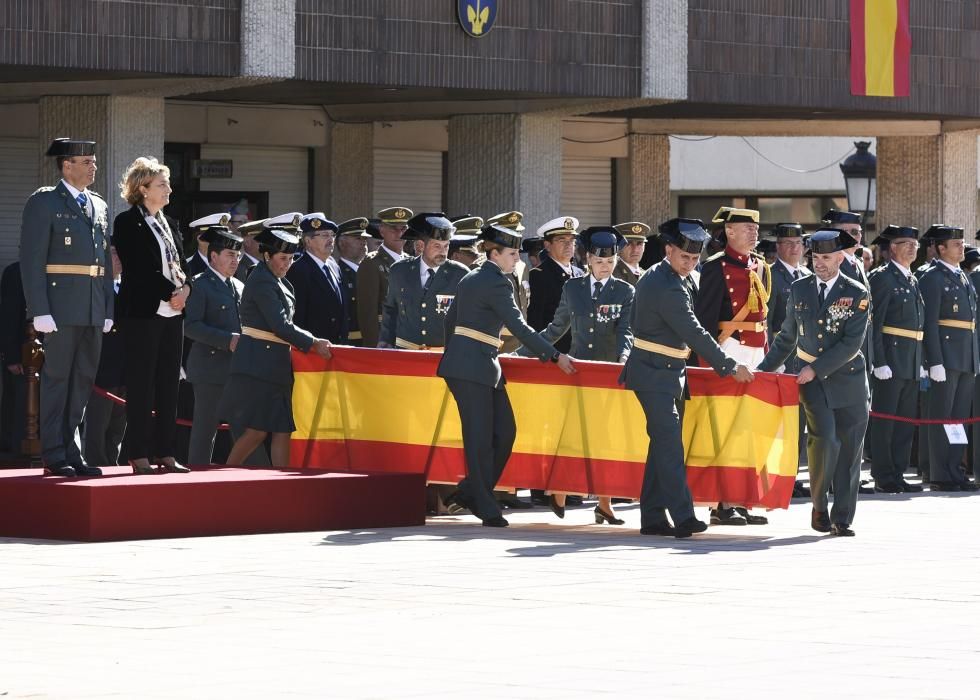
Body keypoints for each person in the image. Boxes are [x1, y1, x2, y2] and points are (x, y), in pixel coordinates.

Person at [621, 218, 753, 538]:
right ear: (668, 250)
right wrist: (728, 365)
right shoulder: (664, 285)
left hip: (668, 373)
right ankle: (683, 516)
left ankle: (652, 517)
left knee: (661, 447)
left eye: (695, 259)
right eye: (685, 257)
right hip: (653, 373)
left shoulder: (674, 276)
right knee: (670, 447)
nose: (690, 263)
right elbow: (693, 330)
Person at [439, 223, 576, 527]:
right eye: (512, 253)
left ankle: (470, 490)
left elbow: (450, 322)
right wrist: (554, 355)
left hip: (480, 365)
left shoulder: (471, 277)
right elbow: (519, 327)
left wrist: (453, 357)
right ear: (494, 253)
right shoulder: (497, 282)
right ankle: (486, 506)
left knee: (504, 432)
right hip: (473, 366)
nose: (518, 258)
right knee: (480, 438)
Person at [758, 229, 871, 537]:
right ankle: (819, 503)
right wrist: (763, 371)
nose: (819, 263)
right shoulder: (800, 288)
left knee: (849, 452)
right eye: (816, 257)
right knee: (824, 441)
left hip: (847, 380)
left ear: (840, 257)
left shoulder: (857, 291)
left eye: (826, 257)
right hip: (812, 383)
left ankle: (842, 518)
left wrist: (816, 368)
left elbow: (851, 344)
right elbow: (786, 338)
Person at [520, 226, 635, 525]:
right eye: (599, 261)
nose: (604, 266)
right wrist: (524, 351)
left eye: (609, 262)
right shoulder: (572, 288)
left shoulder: (625, 291)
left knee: (607, 439)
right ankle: (559, 489)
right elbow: (556, 329)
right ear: (588, 260)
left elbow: (626, 331)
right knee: (573, 434)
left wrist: (624, 357)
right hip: (580, 372)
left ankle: (605, 503)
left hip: (609, 373)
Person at [20, 138, 113, 477]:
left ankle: (72, 450)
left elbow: (103, 261)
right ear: (66, 165)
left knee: (82, 381)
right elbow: (32, 261)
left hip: (91, 308)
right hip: (59, 309)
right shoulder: (44, 202)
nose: (93, 166)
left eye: (93, 160)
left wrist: (107, 309)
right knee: (57, 380)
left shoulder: (99, 205)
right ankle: (53, 452)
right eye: (86, 161)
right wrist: (38, 310)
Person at [221, 215, 334, 467]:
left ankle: (282, 482)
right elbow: (279, 324)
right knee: (258, 431)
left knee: (282, 428)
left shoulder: (279, 281)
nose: (288, 264)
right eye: (283, 258)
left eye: (292, 258)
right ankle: (226, 474)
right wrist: (314, 342)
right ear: (267, 256)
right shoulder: (261, 280)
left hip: (275, 365)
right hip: (259, 364)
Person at [692, 206, 771, 525]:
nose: (753, 233)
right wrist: (708, 365)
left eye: (755, 228)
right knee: (725, 429)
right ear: (729, 232)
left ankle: (744, 499)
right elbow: (705, 320)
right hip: (729, 348)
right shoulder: (714, 267)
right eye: (745, 228)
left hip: (756, 351)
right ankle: (722, 503)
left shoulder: (762, 266)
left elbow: (767, 316)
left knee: (752, 429)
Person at [112, 156, 190, 475]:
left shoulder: (170, 223)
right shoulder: (127, 222)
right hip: (143, 313)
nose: (169, 188)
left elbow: (182, 266)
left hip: (173, 312)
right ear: (143, 189)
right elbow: (138, 268)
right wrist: (169, 293)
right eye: (162, 184)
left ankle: (165, 452)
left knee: (169, 384)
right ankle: (138, 453)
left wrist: (186, 290)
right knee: (142, 385)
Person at [919, 225, 979, 491]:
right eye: (956, 244)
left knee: (959, 417)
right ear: (941, 248)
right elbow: (929, 323)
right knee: (941, 416)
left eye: (962, 243)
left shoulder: (962, 276)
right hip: (946, 356)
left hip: (965, 355)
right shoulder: (932, 277)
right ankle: (940, 473)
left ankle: (955, 469)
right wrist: (935, 361)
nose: (961, 248)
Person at [183, 214, 245, 465]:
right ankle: (197, 476)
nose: (235, 260)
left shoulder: (239, 286)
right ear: (214, 257)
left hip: (237, 369)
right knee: (204, 430)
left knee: (242, 428)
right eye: (230, 255)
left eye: (238, 255)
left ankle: (245, 475)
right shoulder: (200, 285)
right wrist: (226, 340)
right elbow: (190, 326)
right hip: (209, 368)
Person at [868, 225, 925, 493]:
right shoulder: (883, 278)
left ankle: (898, 473)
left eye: (915, 243)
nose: (912, 247)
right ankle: (884, 476)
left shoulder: (911, 279)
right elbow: (875, 324)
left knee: (904, 423)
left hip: (910, 361)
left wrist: (921, 362)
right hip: (890, 361)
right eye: (906, 243)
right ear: (892, 248)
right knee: (885, 422)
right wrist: (879, 361)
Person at [379, 213, 470, 351]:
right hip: (406, 354)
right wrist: (386, 340)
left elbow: (469, 317)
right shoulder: (400, 271)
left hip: (442, 357)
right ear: (421, 246)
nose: (443, 252)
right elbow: (391, 309)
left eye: (446, 246)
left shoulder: (460, 274)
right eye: (437, 246)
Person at [766, 223, 811, 497]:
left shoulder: (807, 275)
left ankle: (792, 474)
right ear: (779, 247)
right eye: (788, 243)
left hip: (804, 357)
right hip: (783, 357)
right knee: (782, 422)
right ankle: (779, 477)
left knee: (801, 423)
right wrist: (773, 357)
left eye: (799, 243)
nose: (795, 248)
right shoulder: (772, 276)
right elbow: (767, 320)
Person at [83, 245, 126, 466]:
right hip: (102, 368)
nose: (118, 258)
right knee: (98, 423)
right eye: (113, 253)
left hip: (125, 369)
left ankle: (112, 462)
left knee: (118, 425)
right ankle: (96, 463)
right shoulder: (96, 287)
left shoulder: (128, 288)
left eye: (120, 253)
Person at [357, 206, 413, 347]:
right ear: (382, 230)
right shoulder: (371, 263)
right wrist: (375, 348)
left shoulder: (412, 262)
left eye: (403, 229)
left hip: (409, 339)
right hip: (385, 339)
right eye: (394, 228)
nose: (399, 233)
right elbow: (368, 314)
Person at [287, 213, 347, 343]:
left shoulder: (333, 265)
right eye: (325, 235)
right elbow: (298, 316)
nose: (331, 240)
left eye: (332, 235)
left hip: (337, 344)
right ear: (308, 241)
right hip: (313, 347)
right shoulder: (298, 270)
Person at [528, 216, 584, 354]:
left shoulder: (580, 273)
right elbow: (535, 321)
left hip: (580, 353)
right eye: (562, 240)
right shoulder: (539, 275)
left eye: (572, 240)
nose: (568, 245)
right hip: (554, 355)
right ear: (547, 245)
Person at [0, 261, 27, 455]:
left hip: (42, 356)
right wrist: (11, 356)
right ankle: (15, 452)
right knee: (16, 407)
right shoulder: (16, 272)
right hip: (20, 354)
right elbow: (9, 314)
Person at [335, 217, 371, 346]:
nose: (364, 243)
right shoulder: (338, 273)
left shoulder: (370, 271)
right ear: (342, 243)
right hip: (351, 342)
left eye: (365, 239)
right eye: (358, 238)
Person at [612, 222, 649, 286]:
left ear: (644, 247)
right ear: (618, 247)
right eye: (628, 244)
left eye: (639, 244)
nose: (635, 249)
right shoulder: (610, 274)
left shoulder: (647, 275)